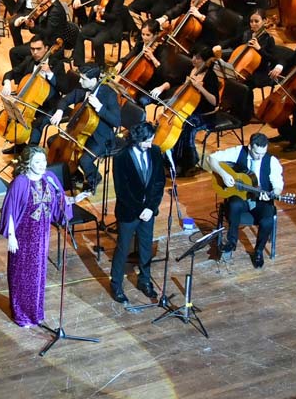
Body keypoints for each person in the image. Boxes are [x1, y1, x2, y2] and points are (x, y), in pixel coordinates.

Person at [0, 146, 71, 326]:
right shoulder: (20, 182)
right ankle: (21, 314)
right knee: (22, 275)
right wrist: (11, 236)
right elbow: (10, 211)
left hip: (42, 236)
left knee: (38, 275)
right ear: (27, 163)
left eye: (43, 161)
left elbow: (59, 202)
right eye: (37, 162)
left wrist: (73, 201)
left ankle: (35, 312)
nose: (42, 165)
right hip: (24, 236)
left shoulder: (50, 179)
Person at [208, 132, 284, 268]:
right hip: (241, 198)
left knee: (267, 220)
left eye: (263, 153)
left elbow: (278, 185)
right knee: (234, 204)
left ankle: (259, 250)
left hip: (261, 201)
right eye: (257, 153)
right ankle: (231, 242)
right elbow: (211, 158)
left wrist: (273, 193)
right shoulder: (238, 151)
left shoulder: (271, 161)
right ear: (250, 147)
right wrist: (224, 174)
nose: (260, 157)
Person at [109, 122, 165, 305]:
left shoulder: (155, 152)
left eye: (151, 140)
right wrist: (140, 210)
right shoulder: (121, 157)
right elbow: (122, 191)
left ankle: (144, 280)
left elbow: (158, 183)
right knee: (123, 248)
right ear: (137, 140)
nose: (150, 144)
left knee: (146, 246)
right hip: (129, 212)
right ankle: (116, 284)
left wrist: (150, 207)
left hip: (148, 211)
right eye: (147, 141)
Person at [48, 64, 122, 192]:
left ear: (94, 80)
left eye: (83, 79)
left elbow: (116, 121)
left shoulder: (109, 94)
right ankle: (75, 174)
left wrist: (100, 107)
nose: (79, 81)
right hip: (79, 131)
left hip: (100, 136)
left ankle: (94, 178)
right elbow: (64, 100)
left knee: (85, 160)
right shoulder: (82, 89)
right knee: (52, 142)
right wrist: (59, 111)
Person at [149, 47, 219, 175]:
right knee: (173, 123)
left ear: (205, 61)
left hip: (205, 114)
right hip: (185, 109)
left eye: (198, 58)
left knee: (185, 127)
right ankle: (165, 159)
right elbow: (175, 81)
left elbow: (214, 102)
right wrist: (162, 87)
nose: (193, 60)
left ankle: (187, 163)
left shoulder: (210, 76)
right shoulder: (191, 69)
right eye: (193, 56)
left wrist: (200, 88)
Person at [0, 35, 68, 154]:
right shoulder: (29, 60)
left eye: (38, 49)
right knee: (6, 115)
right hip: (28, 103)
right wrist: (7, 82)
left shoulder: (57, 64)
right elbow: (12, 72)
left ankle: (30, 154)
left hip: (49, 105)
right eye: (32, 49)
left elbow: (64, 88)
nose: (35, 52)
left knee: (37, 124)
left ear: (46, 48)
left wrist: (49, 73)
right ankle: (20, 145)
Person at [72, 0, 126, 66]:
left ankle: (99, 67)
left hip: (110, 26)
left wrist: (101, 12)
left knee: (97, 41)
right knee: (80, 34)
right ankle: (80, 65)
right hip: (97, 22)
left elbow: (114, 16)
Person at [155, 0, 228, 53]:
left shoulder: (210, 6)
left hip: (204, 38)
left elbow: (213, 26)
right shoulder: (190, 1)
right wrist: (164, 17)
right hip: (188, 36)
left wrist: (200, 16)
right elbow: (179, 8)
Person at [8, 0, 67, 68]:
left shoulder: (55, 10)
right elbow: (37, 29)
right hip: (42, 39)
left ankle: (20, 79)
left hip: (50, 44)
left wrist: (33, 26)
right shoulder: (46, 5)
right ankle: (25, 74)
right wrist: (30, 24)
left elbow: (48, 32)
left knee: (14, 52)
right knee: (19, 51)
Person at [216, 10, 276, 89]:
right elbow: (232, 40)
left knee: (243, 85)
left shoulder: (269, 38)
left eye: (256, 21)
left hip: (259, 71)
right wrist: (219, 46)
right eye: (251, 21)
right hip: (241, 66)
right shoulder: (247, 33)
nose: (253, 24)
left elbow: (272, 59)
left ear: (264, 21)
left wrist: (259, 49)